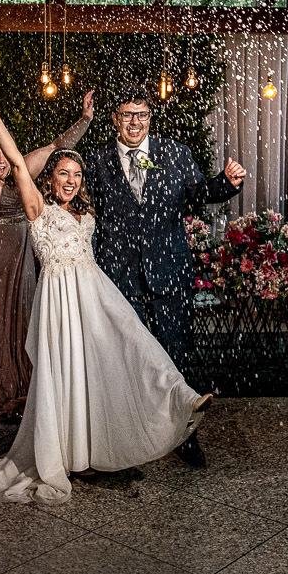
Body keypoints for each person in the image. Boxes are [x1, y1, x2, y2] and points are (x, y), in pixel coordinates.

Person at [0, 98, 212, 504]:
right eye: (63, 173)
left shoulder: (86, 212)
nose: (71, 179)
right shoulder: (37, 209)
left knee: (130, 344)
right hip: (59, 303)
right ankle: (67, 453)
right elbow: (19, 164)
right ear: (50, 179)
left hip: (94, 295)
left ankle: (178, 396)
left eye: (76, 174)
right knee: (64, 374)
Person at [83, 87, 244, 467]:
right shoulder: (96, 160)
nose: (135, 122)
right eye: (127, 114)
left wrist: (227, 181)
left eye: (142, 114)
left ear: (151, 118)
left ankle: (183, 436)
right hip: (119, 277)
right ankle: (132, 436)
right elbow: (84, 208)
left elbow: (199, 192)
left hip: (169, 272)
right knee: (128, 358)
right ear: (114, 119)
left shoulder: (174, 152)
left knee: (175, 355)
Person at [0, 93, 94, 428]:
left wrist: (84, 121)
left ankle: (16, 397)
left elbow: (56, 147)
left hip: (17, 266)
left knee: (17, 327)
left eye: (2, 152)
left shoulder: (19, 171)